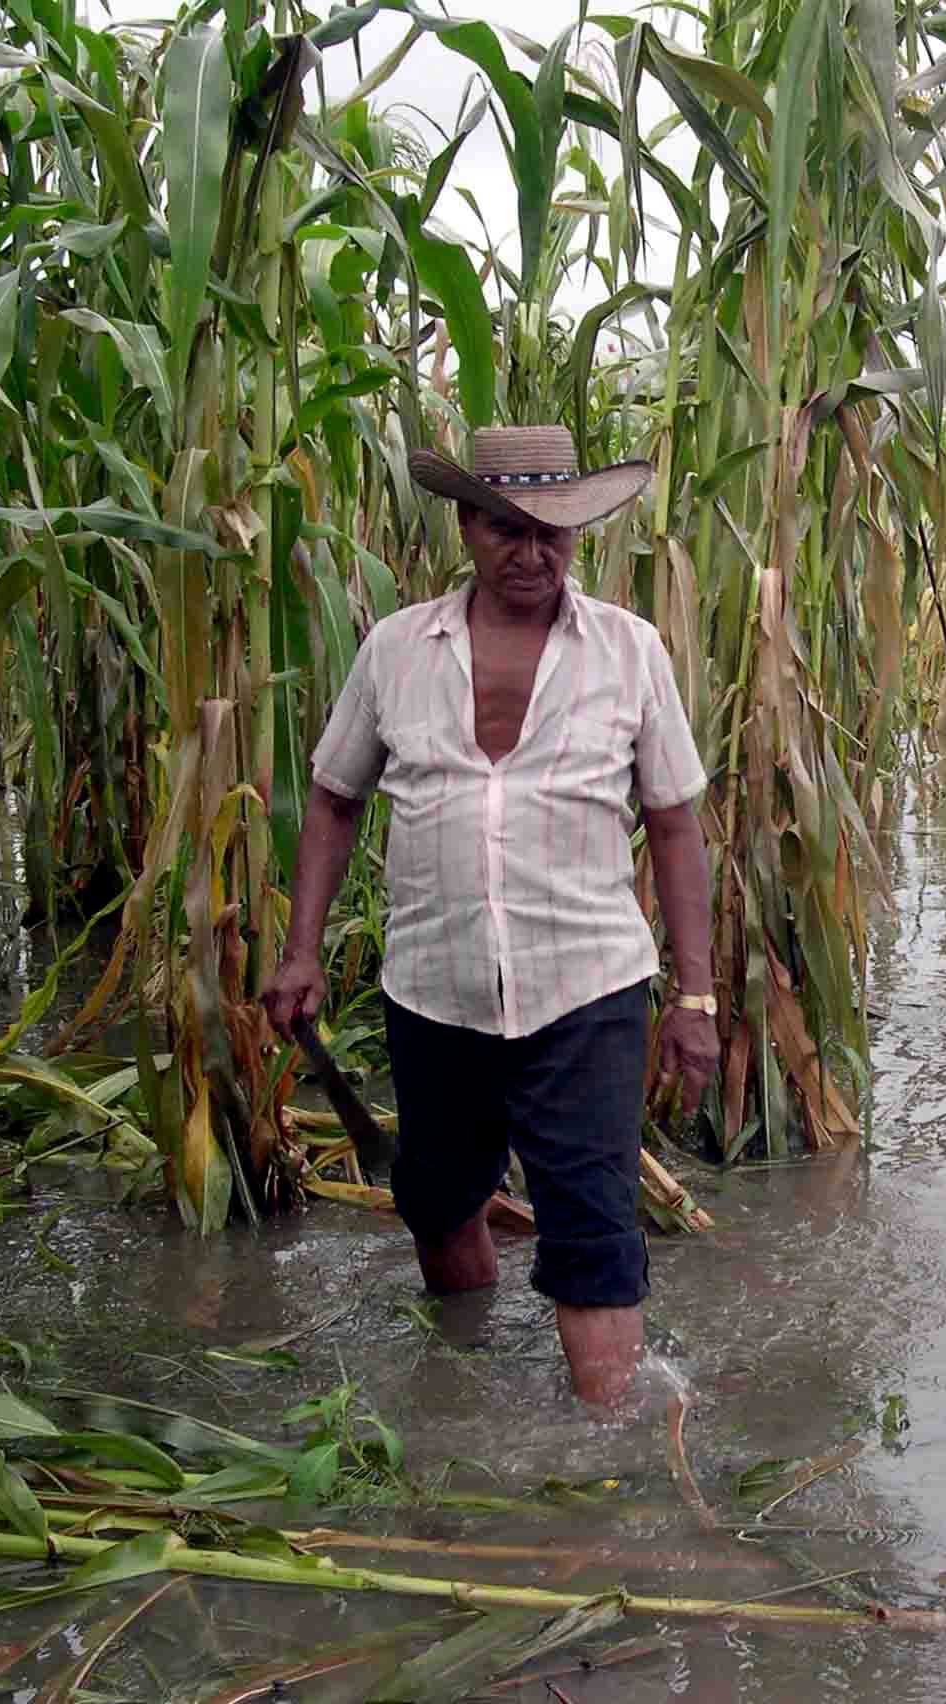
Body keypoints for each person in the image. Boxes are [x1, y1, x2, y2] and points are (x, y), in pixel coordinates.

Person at [260, 424, 720, 1406]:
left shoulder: (630, 654)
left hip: (587, 985)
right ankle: (459, 1388)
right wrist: (299, 952)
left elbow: (676, 825)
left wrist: (696, 997)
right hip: (437, 988)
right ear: (466, 525)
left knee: (593, 1228)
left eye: (554, 532)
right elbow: (336, 800)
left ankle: (601, 1470)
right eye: (508, 528)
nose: (533, 552)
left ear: (579, 535)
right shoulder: (396, 651)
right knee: (434, 1198)